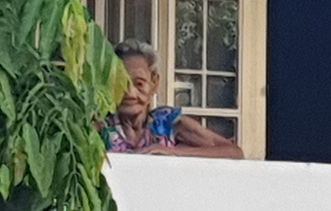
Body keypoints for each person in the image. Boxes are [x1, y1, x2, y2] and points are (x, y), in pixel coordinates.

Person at [99, 39, 243, 158]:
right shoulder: (101, 126)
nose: (130, 93)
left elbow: (233, 152)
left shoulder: (166, 122)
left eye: (139, 84)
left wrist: (174, 152)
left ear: (154, 84)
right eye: (122, 82)